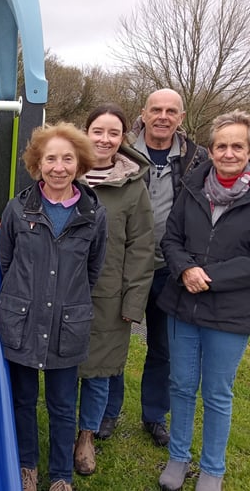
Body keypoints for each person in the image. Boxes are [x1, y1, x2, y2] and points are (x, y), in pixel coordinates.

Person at [0, 122, 107, 491]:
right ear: (37, 163)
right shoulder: (18, 208)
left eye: (67, 159)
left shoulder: (93, 214)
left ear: (80, 164)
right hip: (22, 322)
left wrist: (71, 300)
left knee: (62, 404)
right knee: (23, 400)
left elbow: (92, 269)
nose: (58, 167)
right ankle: (27, 465)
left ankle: (60, 474)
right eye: (50, 159)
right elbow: (4, 263)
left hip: (67, 323)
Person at [157, 110, 250, 491]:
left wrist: (208, 277)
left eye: (238, 146)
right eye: (222, 146)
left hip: (230, 313)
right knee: (180, 384)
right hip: (183, 305)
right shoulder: (192, 187)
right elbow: (170, 239)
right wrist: (184, 270)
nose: (229, 153)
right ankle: (179, 457)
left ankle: (212, 468)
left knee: (217, 392)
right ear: (211, 150)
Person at [112, 88, 208, 447]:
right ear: (144, 113)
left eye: (171, 111)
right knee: (114, 340)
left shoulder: (196, 158)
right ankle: (107, 411)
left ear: (180, 118)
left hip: (171, 267)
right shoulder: (121, 149)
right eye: (156, 109)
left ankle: (154, 415)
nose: (163, 116)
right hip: (124, 264)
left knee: (162, 347)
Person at [74, 104, 155, 475]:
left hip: (107, 293)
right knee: (62, 367)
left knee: (99, 369)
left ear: (123, 138)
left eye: (113, 133)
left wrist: (133, 300)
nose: (105, 140)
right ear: (85, 133)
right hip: (61, 290)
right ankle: (61, 429)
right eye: (98, 131)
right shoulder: (62, 172)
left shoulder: (133, 188)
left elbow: (141, 247)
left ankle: (86, 436)